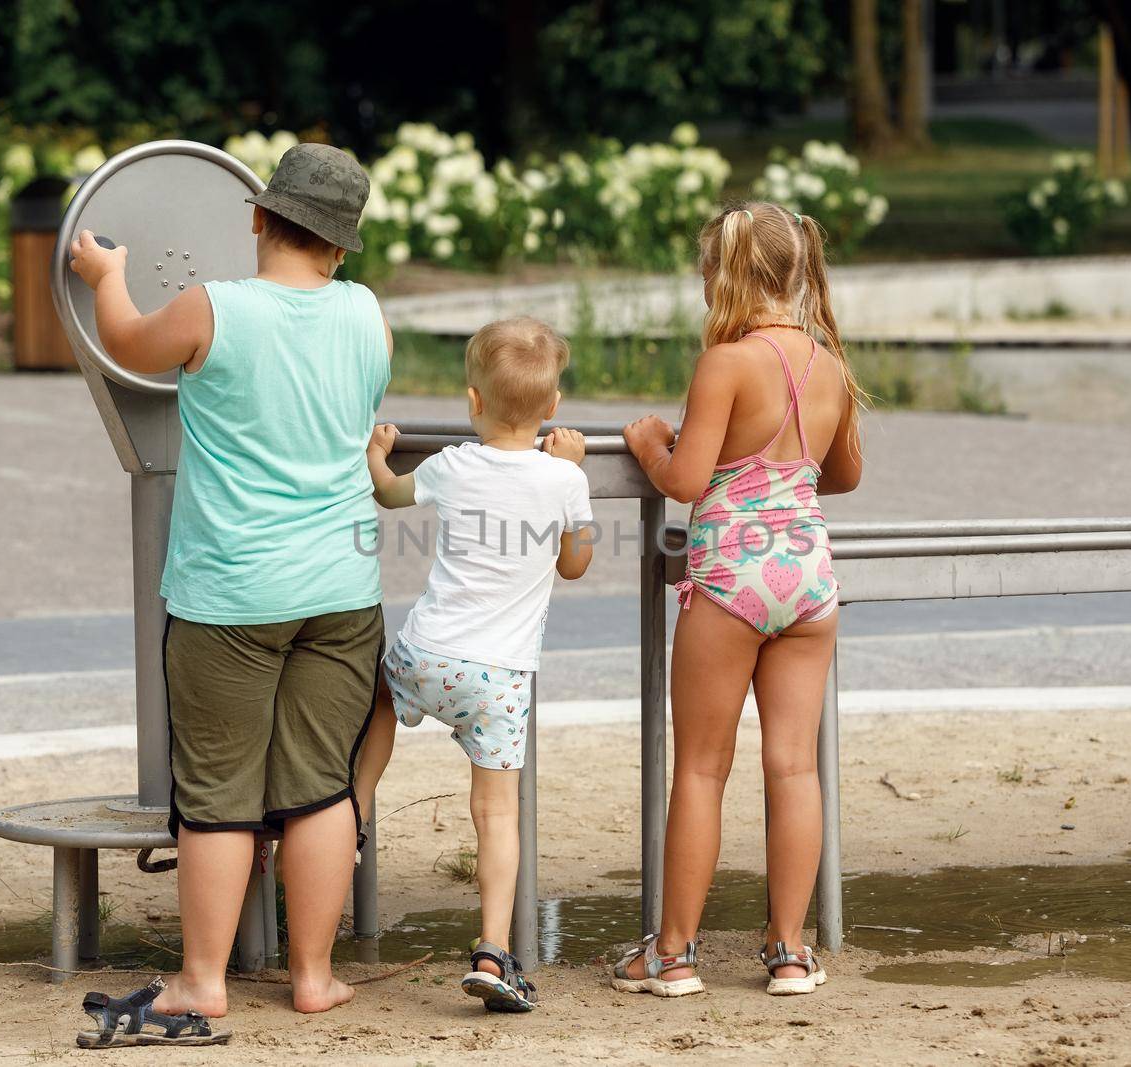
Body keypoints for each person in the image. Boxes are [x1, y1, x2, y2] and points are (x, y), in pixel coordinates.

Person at [67, 142, 391, 1019]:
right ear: (343, 241)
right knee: (322, 783)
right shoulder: (368, 315)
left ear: (256, 214)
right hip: (342, 589)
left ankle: (204, 980)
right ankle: (314, 977)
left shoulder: (214, 307)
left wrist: (107, 271)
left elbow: (128, 340)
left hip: (232, 596)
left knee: (215, 792)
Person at [614, 202, 865, 998]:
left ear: (725, 275)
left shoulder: (726, 362)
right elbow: (846, 473)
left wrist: (648, 441)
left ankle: (673, 953)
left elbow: (686, 479)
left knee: (701, 767)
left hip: (731, 579)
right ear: (797, 271)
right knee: (793, 766)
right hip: (809, 578)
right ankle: (789, 950)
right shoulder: (828, 363)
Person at [357, 316, 594, 1012]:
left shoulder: (451, 463)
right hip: (499, 677)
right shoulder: (561, 479)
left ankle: (355, 807)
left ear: (472, 401)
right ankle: (493, 948)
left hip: (428, 651)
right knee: (496, 813)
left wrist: (379, 450)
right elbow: (575, 565)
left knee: (381, 701)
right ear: (552, 408)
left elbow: (388, 492)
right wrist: (571, 479)